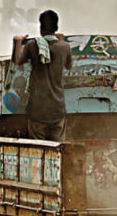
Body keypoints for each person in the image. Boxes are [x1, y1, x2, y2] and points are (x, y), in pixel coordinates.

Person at [13, 10, 73, 141]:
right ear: (56, 27)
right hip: (57, 108)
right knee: (57, 150)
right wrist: (61, 40)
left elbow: (18, 61)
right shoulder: (65, 47)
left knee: (38, 151)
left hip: (38, 109)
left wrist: (17, 42)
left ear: (41, 28)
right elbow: (68, 66)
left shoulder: (32, 45)